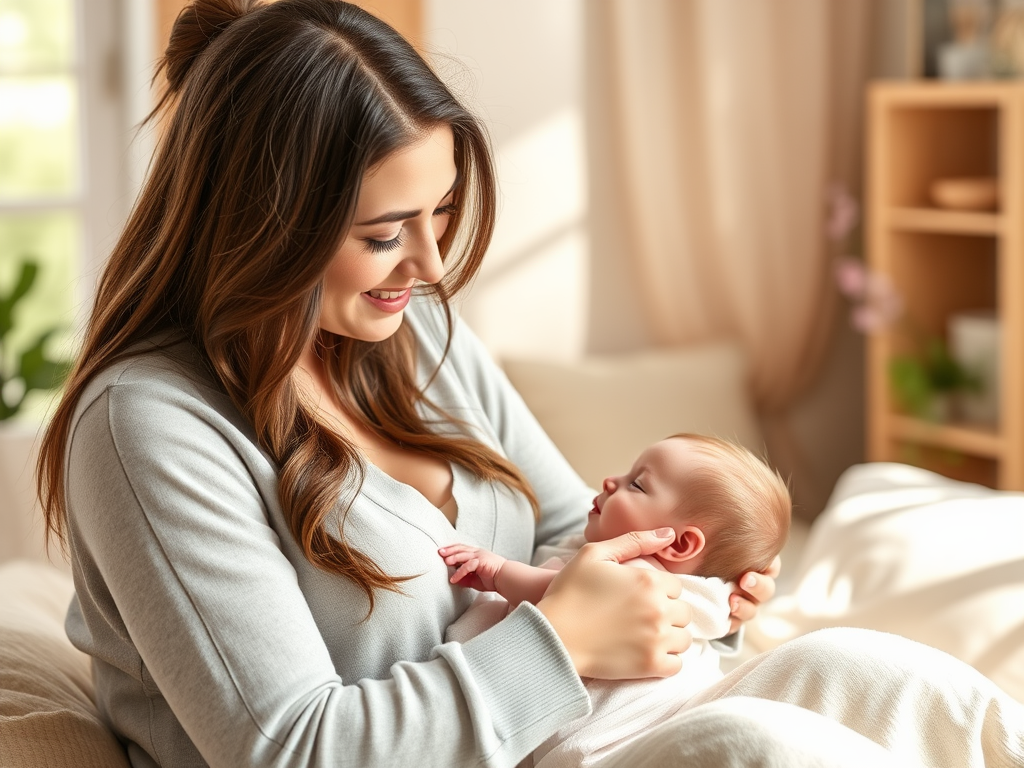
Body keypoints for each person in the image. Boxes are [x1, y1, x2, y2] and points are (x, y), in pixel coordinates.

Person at [33, 1, 1024, 767]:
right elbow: (293, 747)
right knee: (766, 749)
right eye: (382, 234)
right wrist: (561, 638)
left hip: (587, 724)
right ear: (259, 224)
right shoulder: (150, 430)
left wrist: (676, 591)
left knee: (864, 670)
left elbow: (565, 526)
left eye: (439, 213)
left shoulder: (411, 334)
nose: (426, 263)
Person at [439, 434, 791, 768]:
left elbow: (562, 595)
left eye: (637, 483)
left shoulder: (643, 574)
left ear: (679, 545)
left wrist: (500, 572)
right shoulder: (688, 590)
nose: (609, 480)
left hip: (616, 745)